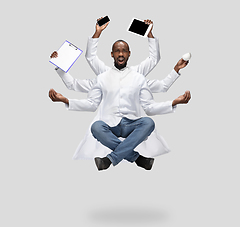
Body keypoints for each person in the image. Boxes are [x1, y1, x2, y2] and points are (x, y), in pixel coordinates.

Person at [49, 64, 191, 170]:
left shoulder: (139, 78)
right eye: (117, 50)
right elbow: (91, 104)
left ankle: (109, 160)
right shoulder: (102, 78)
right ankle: (138, 158)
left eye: (124, 50)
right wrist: (66, 100)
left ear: (129, 54)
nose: (121, 53)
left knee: (149, 123)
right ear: (112, 54)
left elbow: (149, 107)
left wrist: (174, 102)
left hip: (132, 125)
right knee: (96, 127)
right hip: (111, 126)